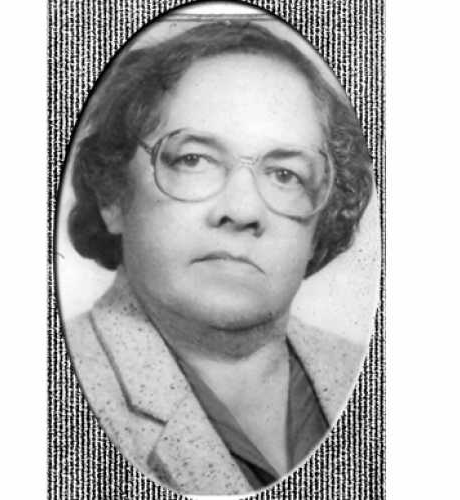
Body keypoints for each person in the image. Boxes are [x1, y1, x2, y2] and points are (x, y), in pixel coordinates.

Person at [61, 19, 374, 496]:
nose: (243, 211)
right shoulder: (61, 401)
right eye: (194, 160)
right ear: (113, 195)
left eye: (285, 174)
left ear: (321, 224)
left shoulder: (370, 377)